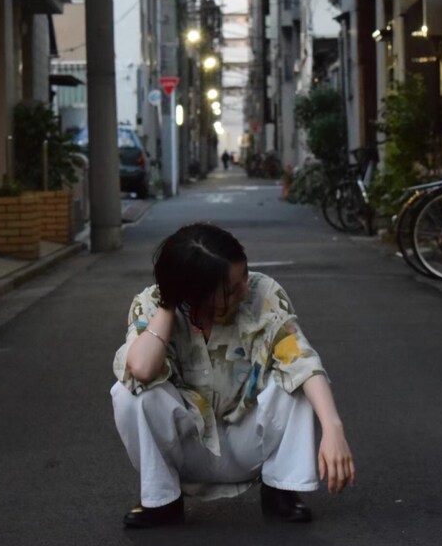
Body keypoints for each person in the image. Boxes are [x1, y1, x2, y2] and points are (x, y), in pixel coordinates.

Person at [111, 223, 355, 528]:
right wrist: (169, 304)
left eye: (245, 275)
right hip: (188, 448)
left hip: (249, 442)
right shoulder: (151, 304)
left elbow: (302, 360)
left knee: (294, 381)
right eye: (231, 289)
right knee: (129, 392)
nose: (245, 289)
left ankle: (280, 488)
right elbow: (141, 368)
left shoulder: (262, 292)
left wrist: (333, 429)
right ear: (194, 293)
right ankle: (162, 501)